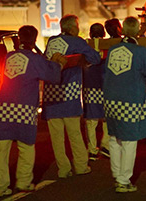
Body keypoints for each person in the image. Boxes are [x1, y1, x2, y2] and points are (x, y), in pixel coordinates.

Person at [0, 25, 67, 197]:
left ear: (19, 38)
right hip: (24, 107)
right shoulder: (34, 59)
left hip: (3, 107)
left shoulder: (9, 57)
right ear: (34, 39)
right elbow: (52, 76)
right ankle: (24, 182)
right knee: (26, 145)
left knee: (1, 149)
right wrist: (58, 64)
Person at [103, 16, 146, 193]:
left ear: (123, 30)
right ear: (138, 30)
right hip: (130, 100)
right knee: (129, 140)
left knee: (114, 138)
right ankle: (123, 180)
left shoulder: (113, 50)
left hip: (110, 100)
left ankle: (117, 174)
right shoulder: (141, 52)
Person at [42, 14, 101, 178]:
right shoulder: (77, 42)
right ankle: (81, 165)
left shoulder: (52, 41)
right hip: (69, 94)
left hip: (51, 95)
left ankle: (63, 169)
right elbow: (95, 58)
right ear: (73, 28)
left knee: (57, 138)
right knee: (74, 134)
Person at [84, 23, 110, 160]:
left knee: (91, 120)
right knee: (107, 118)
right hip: (106, 86)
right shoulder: (109, 46)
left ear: (90, 33)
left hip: (90, 87)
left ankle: (92, 149)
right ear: (104, 33)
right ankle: (105, 145)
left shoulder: (86, 47)